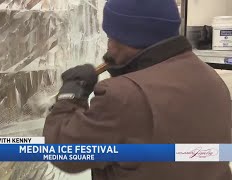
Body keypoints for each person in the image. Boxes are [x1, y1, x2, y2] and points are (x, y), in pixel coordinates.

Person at [43, 0, 232, 179]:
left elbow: (64, 153)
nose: (108, 48)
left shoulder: (122, 95)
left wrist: (70, 95)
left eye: (110, 38)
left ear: (129, 40)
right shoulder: (210, 77)